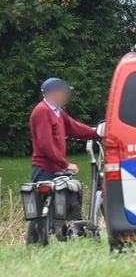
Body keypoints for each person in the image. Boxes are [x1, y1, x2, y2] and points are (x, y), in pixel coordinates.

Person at [27, 78, 97, 244]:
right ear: (54, 93)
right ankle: (35, 244)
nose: (66, 96)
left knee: (62, 202)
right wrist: (65, 164)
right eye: (64, 92)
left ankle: (64, 236)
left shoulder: (57, 111)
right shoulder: (42, 111)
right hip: (44, 168)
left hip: (54, 167)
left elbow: (74, 127)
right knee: (39, 209)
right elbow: (45, 145)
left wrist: (98, 133)